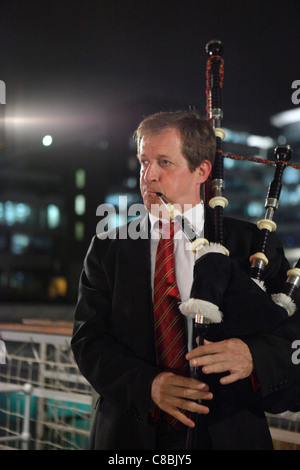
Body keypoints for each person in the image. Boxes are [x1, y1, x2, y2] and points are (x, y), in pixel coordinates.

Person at [71, 110, 300, 450]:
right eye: (144, 161)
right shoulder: (108, 247)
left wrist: (253, 356)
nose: (149, 176)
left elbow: (291, 336)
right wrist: (147, 385)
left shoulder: (251, 244)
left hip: (226, 434)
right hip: (130, 435)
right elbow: (89, 339)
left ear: (202, 171)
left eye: (165, 162)